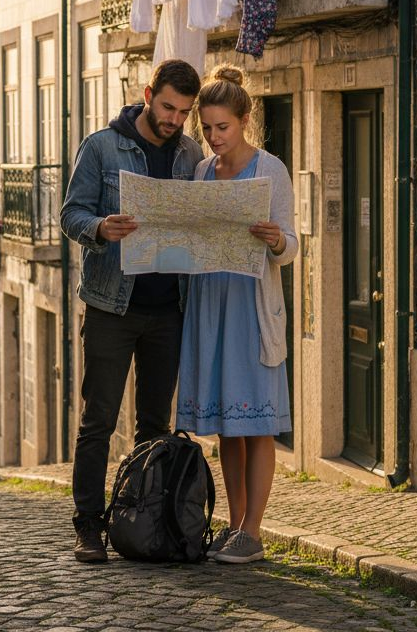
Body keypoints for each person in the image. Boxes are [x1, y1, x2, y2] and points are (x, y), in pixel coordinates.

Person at [60, 58, 206, 563]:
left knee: (155, 426)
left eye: (183, 112)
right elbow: (70, 214)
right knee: (97, 421)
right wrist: (100, 228)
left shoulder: (191, 153)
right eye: (167, 107)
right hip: (111, 306)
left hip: (169, 309)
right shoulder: (101, 147)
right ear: (148, 94)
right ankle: (88, 526)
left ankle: (148, 525)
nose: (174, 120)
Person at [175, 64, 297, 564]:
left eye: (222, 127)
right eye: (206, 128)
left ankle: (254, 530)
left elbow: (292, 246)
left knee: (257, 424)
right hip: (211, 305)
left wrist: (276, 240)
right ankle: (233, 523)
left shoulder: (271, 170)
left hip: (252, 307)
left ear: (245, 120)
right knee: (229, 425)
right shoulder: (202, 171)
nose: (213, 137)